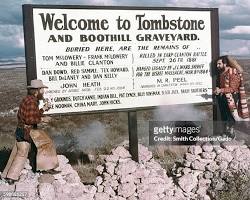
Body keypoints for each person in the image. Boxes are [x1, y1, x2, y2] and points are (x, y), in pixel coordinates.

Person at [1, 79, 59, 185]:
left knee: (21, 153)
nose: (43, 92)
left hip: (20, 129)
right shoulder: (32, 102)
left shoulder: (27, 99)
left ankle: (10, 177)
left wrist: (43, 109)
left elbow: (31, 114)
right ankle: (48, 167)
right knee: (47, 143)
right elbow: (30, 119)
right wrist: (43, 119)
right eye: (42, 89)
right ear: (37, 91)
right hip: (27, 130)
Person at [214, 55, 249, 138]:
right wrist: (218, 90)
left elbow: (233, 88)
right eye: (217, 64)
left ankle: (232, 134)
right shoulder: (221, 73)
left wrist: (221, 90)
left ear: (225, 63)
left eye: (219, 64)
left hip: (231, 97)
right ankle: (226, 132)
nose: (217, 66)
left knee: (231, 116)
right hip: (223, 97)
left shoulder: (233, 72)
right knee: (224, 115)